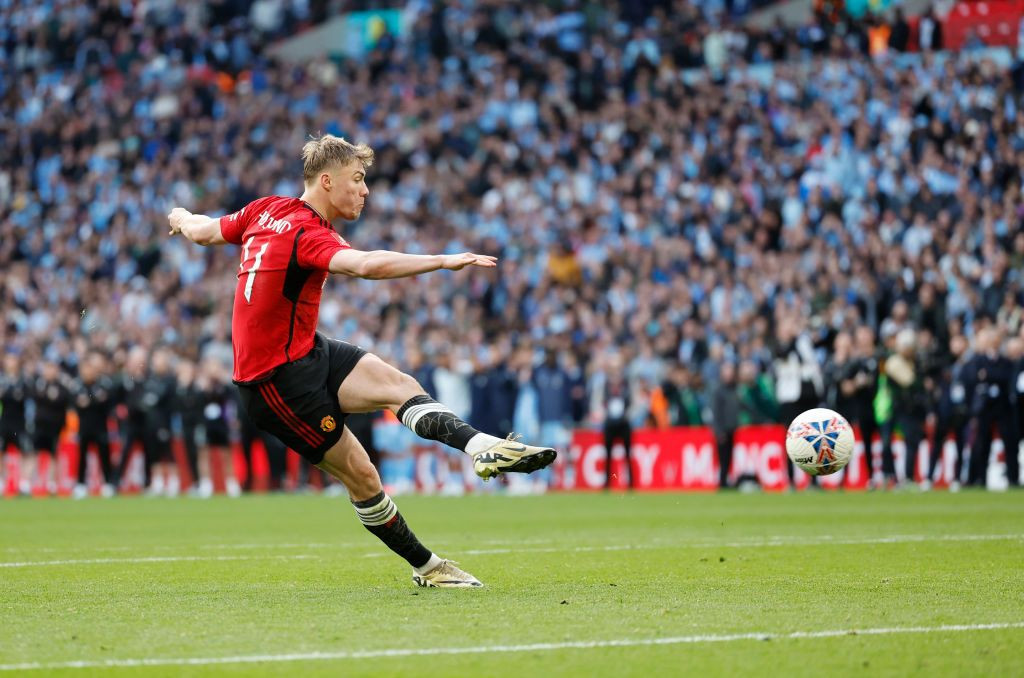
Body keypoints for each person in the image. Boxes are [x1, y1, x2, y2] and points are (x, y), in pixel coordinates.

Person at [167, 133, 556, 587]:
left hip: (308, 350)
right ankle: (428, 568)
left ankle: (481, 447)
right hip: (273, 382)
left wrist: (180, 215)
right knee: (363, 476)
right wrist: (442, 261)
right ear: (327, 181)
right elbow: (367, 265)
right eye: (358, 179)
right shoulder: (307, 234)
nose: (365, 189)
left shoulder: (264, 209)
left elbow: (202, 231)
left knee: (399, 384)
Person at [71, 353, 117, 498]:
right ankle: (80, 484)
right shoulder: (78, 384)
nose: (87, 372)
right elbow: (76, 403)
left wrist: (89, 401)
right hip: (84, 427)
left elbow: (104, 401)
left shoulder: (103, 384)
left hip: (101, 427)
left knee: (104, 455)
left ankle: (109, 484)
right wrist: (93, 401)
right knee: (82, 457)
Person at [29, 359, 71, 495]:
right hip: (40, 425)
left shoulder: (61, 386)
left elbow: (62, 399)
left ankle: (52, 483)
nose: (49, 372)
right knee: (36, 453)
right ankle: (34, 482)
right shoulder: (39, 384)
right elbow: (36, 397)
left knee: (53, 454)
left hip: (55, 426)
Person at [0, 354, 29, 495]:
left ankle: (24, 483)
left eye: (13, 359)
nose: (11, 362)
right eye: (8, 359)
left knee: (26, 451)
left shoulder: (23, 380)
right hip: (3, 422)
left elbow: (27, 397)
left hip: (20, 423)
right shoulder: (2, 380)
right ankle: (2, 482)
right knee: (1, 451)